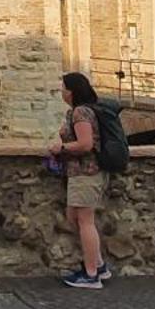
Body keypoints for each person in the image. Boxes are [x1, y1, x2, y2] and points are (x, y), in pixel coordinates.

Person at [48, 71, 113, 290]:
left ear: (72, 91)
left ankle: (91, 274)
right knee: (74, 217)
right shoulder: (76, 112)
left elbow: (85, 144)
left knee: (85, 221)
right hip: (78, 173)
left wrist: (62, 148)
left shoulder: (81, 113)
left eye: (64, 87)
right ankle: (98, 265)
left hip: (87, 172)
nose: (61, 91)